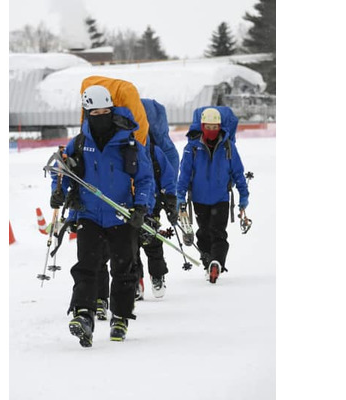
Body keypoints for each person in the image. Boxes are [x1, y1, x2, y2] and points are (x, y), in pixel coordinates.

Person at [50, 84, 154, 347]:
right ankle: (83, 315)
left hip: (122, 214)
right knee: (87, 266)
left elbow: (145, 178)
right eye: (94, 113)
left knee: (124, 268)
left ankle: (120, 316)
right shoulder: (80, 143)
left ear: (112, 109)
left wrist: (141, 207)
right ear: (86, 113)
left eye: (105, 111)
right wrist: (58, 191)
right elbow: (60, 169)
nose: (100, 117)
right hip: (88, 214)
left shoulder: (128, 141)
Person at [176, 107, 250, 284]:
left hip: (221, 200)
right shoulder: (192, 148)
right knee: (203, 234)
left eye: (215, 127)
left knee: (218, 233)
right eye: (207, 127)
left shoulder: (228, 147)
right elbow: (184, 174)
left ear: (220, 126)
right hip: (199, 200)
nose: (211, 131)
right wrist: (180, 196)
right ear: (202, 126)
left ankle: (216, 261)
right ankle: (209, 262)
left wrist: (244, 196)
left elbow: (238, 173)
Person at [133, 138, 178, 300]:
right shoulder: (120, 148)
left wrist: (171, 199)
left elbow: (168, 176)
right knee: (130, 247)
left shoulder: (153, 151)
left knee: (152, 243)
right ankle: (135, 280)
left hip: (152, 205)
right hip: (128, 207)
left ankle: (157, 275)